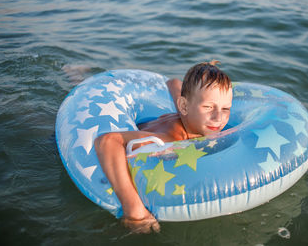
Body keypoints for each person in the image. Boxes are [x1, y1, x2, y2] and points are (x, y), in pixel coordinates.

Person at [94, 60, 233, 234]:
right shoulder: (170, 139)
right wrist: (133, 209)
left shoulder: (187, 111)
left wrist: (207, 69)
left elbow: (173, 83)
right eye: (208, 107)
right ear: (183, 106)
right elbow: (106, 142)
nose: (218, 117)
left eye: (226, 108)